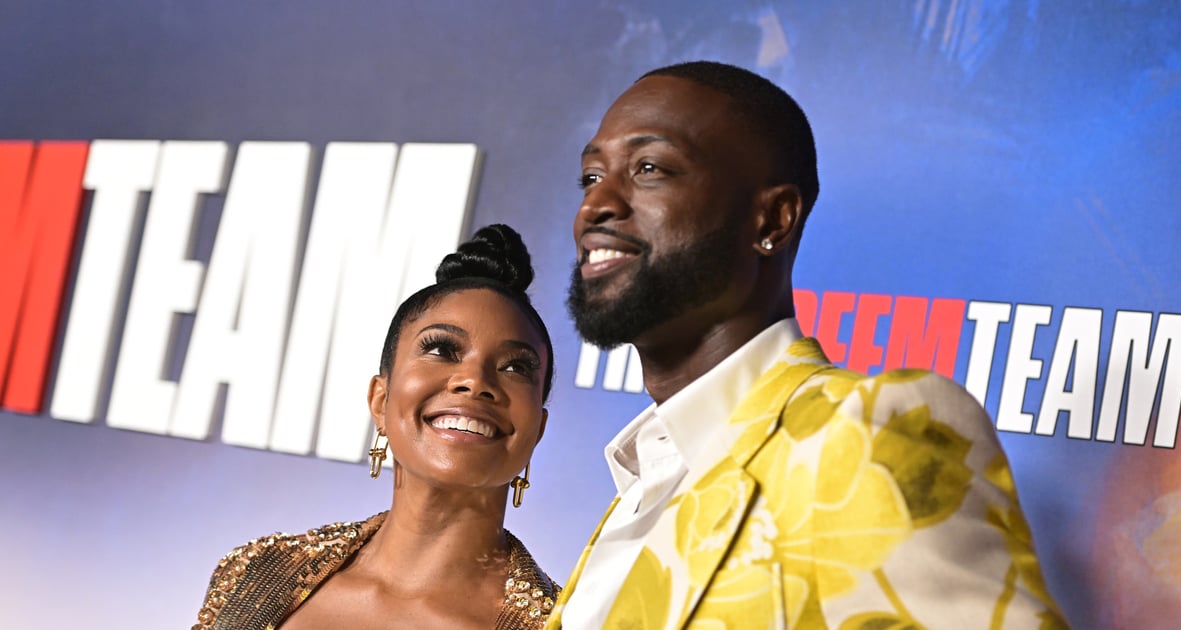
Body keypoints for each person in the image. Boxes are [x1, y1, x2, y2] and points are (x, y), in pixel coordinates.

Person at [547, 61, 1066, 629]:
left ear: (773, 218)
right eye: (591, 177)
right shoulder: (645, 482)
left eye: (650, 168)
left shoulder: (865, 430)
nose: (595, 206)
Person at [193, 224, 560, 630]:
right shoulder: (257, 572)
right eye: (441, 349)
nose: (474, 381)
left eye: (516, 367)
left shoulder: (566, 625)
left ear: (537, 430)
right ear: (380, 401)